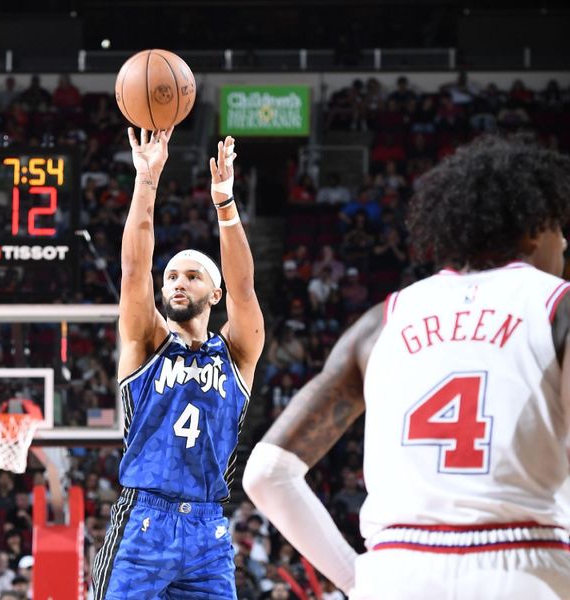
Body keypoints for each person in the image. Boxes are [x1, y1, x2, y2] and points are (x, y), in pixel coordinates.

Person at [243, 136, 570, 599]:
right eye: (562, 231)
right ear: (536, 228)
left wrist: (358, 579)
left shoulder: (381, 321)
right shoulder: (558, 307)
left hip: (395, 572)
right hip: (525, 568)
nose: (564, 245)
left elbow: (265, 472)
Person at [92, 129, 264, 598]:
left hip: (208, 529)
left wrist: (225, 203)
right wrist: (146, 180)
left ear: (215, 292)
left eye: (192, 275)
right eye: (171, 276)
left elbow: (245, 287)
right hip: (144, 521)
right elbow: (133, 268)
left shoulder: (236, 353)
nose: (178, 283)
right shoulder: (146, 341)